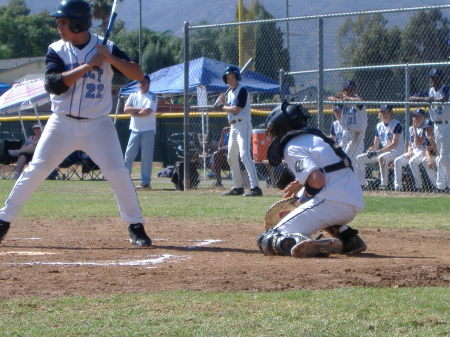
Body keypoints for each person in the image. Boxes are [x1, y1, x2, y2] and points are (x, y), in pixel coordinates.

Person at [0, 0, 151, 247]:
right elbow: (54, 85)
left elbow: (138, 74)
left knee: (118, 174)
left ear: (79, 24)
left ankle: (135, 226)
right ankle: (3, 221)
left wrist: (110, 58)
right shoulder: (56, 49)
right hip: (62, 124)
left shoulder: (106, 46)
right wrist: (87, 66)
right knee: (36, 170)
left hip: (98, 125)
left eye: (63, 22)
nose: (59, 26)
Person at [257, 101, 366, 258]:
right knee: (308, 195)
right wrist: (301, 187)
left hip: (332, 201)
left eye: (274, 130)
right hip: (352, 201)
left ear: (282, 126)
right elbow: (327, 170)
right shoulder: (315, 138)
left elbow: (317, 180)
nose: (273, 135)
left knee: (268, 239)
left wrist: (302, 200)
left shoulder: (292, 145)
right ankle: (348, 238)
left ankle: (307, 244)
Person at [219, 65, 262, 197]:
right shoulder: (231, 92)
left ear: (237, 77)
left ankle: (255, 187)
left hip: (243, 125)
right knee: (231, 156)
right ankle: (238, 187)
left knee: (244, 155)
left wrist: (222, 107)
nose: (230, 80)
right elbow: (230, 109)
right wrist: (224, 103)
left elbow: (236, 109)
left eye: (232, 77)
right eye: (228, 78)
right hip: (233, 126)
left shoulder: (242, 90)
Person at [410, 68, 450, 192]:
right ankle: (443, 186)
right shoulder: (429, 91)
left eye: (436, 77)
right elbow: (411, 98)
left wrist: (433, 99)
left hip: (446, 125)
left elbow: (444, 98)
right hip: (436, 126)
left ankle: (444, 185)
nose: (433, 80)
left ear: (440, 78)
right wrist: (426, 99)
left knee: (443, 157)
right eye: (431, 77)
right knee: (440, 157)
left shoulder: (445, 88)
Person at [356, 105, 404, 190]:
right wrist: (370, 150)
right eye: (382, 112)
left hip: (396, 151)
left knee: (381, 157)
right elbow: (375, 145)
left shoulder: (397, 124)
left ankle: (384, 185)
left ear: (391, 113)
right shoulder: (379, 126)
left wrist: (379, 152)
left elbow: (394, 144)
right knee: (360, 158)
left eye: (386, 112)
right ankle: (361, 184)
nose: (384, 114)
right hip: (384, 152)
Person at [123, 74, 158, 190]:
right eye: (140, 82)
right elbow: (126, 109)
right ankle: (125, 181)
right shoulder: (133, 95)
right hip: (134, 130)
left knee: (146, 158)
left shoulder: (152, 96)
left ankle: (145, 183)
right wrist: (138, 110)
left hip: (148, 130)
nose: (142, 84)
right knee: (128, 156)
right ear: (137, 84)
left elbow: (147, 112)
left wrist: (134, 112)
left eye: (144, 82)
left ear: (148, 84)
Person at [393, 108, 435, 191]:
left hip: (423, 151)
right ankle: (398, 187)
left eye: (419, 117)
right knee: (397, 161)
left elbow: (418, 144)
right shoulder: (410, 128)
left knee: (412, 162)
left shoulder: (425, 127)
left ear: (424, 117)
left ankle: (419, 186)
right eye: (415, 117)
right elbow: (410, 143)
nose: (417, 119)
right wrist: (409, 151)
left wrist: (415, 129)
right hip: (414, 151)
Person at [327, 80, 367, 167]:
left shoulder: (356, 99)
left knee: (355, 161)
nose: (349, 92)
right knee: (347, 158)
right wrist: (338, 99)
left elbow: (360, 101)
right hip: (347, 133)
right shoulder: (343, 101)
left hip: (357, 133)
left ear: (355, 90)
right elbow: (329, 98)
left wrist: (347, 98)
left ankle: (359, 180)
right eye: (346, 90)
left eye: (351, 90)